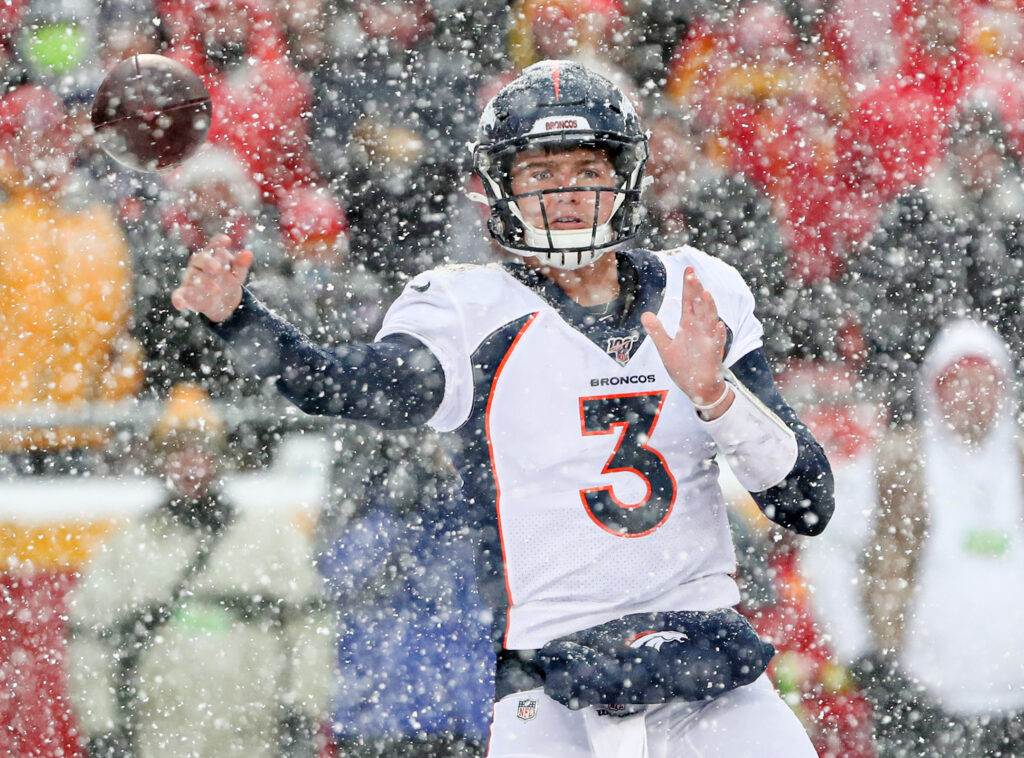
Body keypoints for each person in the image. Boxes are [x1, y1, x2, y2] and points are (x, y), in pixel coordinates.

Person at [171, 60, 834, 757]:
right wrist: (242, 321)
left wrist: (717, 398)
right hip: (551, 674)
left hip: (706, 662)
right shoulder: (468, 309)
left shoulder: (701, 290)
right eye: (540, 175)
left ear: (624, 175)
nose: (567, 194)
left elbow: (808, 503)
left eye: (585, 168)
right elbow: (345, 384)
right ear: (498, 187)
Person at [66, 383, 336, 758]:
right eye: (176, 451)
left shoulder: (269, 536)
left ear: (219, 458)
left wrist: (303, 716)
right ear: (158, 462)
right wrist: (103, 730)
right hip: (160, 736)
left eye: (199, 450)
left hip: (255, 737)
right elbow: (90, 642)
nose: (189, 463)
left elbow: (310, 629)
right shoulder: (127, 547)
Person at [858, 320, 1024, 756]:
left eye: (984, 383)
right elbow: (833, 550)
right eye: (959, 383)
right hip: (924, 698)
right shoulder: (896, 461)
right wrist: (862, 651)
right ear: (934, 389)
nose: (972, 397)